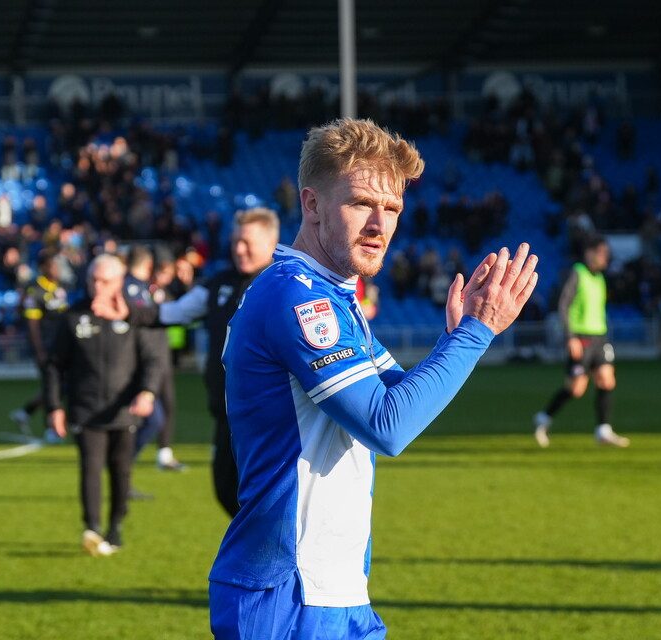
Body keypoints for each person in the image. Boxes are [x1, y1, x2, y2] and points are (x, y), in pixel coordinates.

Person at [207, 118, 538, 639]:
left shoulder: (333, 297)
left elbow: (397, 398)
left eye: (393, 209)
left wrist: (458, 339)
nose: (379, 225)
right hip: (289, 597)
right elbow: (388, 426)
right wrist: (473, 335)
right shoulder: (296, 297)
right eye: (362, 203)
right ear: (312, 205)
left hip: (334, 589)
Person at [94, 207, 280, 518]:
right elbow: (173, 312)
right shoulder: (219, 284)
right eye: (235, 241)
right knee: (226, 493)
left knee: (268, 501)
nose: (238, 249)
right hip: (227, 415)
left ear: (272, 242)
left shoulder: (286, 285)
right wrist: (129, 312)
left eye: (247, 242)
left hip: (271, 418)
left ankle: (279, 560)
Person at [44, 254, 165, 556]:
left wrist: (147, 392)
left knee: (121, 471)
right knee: (90, 468)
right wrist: (54, 406)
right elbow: (54, 365)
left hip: (124, 410)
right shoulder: (73, 316)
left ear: (119, 282)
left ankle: (115, 527)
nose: (97, 286)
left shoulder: (133, 316)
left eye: (105, 281)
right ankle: (92, 529)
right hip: (85, 410)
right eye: (92, 280)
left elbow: (153, 360)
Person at [533, 235, 631, 448]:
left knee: (607, 379)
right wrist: (570, 337)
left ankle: (603, 430)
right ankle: (544, 417)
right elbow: (564, 305)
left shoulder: (600, 278)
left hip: (600, 336)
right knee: (576, 388)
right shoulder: (577, 273)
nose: (606, 257)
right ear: (589, 253)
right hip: (581, 337)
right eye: (602, 253)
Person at [122, 245, 185, 472]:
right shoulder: (133, 288)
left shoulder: (149, 289)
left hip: (157, 357)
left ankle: (128, 470)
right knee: (150, 418)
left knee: (163, 409)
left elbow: (177, 310)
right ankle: (122, 468)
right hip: (144, 360)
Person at [10, 251, 69, 440]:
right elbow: (32, 325)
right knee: (53, 386)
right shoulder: (34, 291)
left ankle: (26, 412)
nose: (57, 269)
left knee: (61, 386)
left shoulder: (58, 288)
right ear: (43, 268)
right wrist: (39, 351)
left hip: (61, 345)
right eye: (53, 265)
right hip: (46, 346)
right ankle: (51, 429)